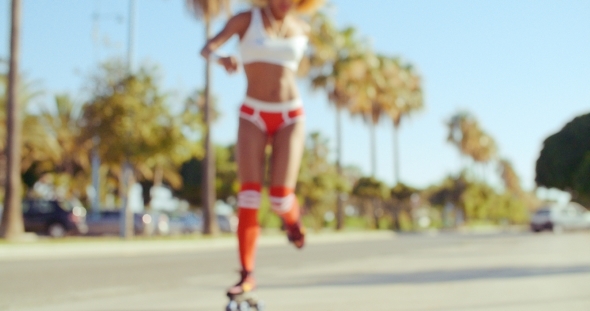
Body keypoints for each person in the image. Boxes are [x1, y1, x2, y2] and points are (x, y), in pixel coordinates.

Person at [200, 0, 324, 296]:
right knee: (249, 196)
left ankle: (293, 223)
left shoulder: (301, 26)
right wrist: (223, 59)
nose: (285, 3)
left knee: (281, 199)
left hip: (290, 115)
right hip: (252, 113)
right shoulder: (246, 20)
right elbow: (207, 48)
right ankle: (247, 274)